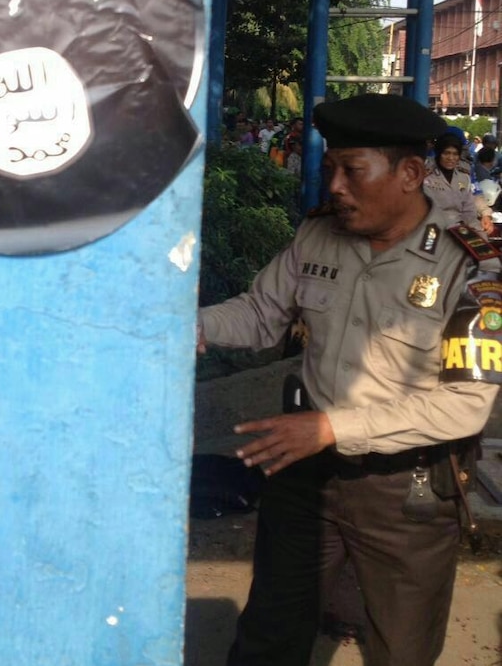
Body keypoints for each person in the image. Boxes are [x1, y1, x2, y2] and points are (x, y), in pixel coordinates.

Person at [197, 93, 499, 666]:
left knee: (401, 649)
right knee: (269, 632)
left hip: (407, 489)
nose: (334, 185)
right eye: (330, 168)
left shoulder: (469, 265)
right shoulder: (318, 235)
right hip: (304, 474)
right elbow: (262, 313)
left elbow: (465, 405)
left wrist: (333, 427)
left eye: (352, 171)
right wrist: (191, 326)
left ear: (410, 174)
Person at [424, 131, 494, 235]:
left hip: (462, 228)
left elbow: (471, 206)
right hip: (434, 229)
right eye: (446, 153)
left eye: (455, 154)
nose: (451, 158)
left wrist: (485, 217)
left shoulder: (464, 176)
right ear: (439, 153)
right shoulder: (426, 175)